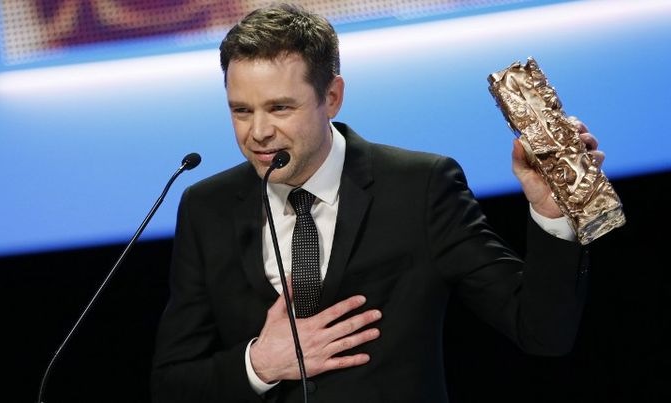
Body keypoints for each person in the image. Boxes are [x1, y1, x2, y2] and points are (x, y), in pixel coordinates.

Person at [151, 4, 601, 402]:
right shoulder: (205, 207)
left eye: (281, 108)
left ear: (331, 97)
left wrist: (551, 212)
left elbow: (543, 332)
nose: (259, 132)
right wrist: (259, 366)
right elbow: (172, 384)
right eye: (241, 111)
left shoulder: (419, 187)